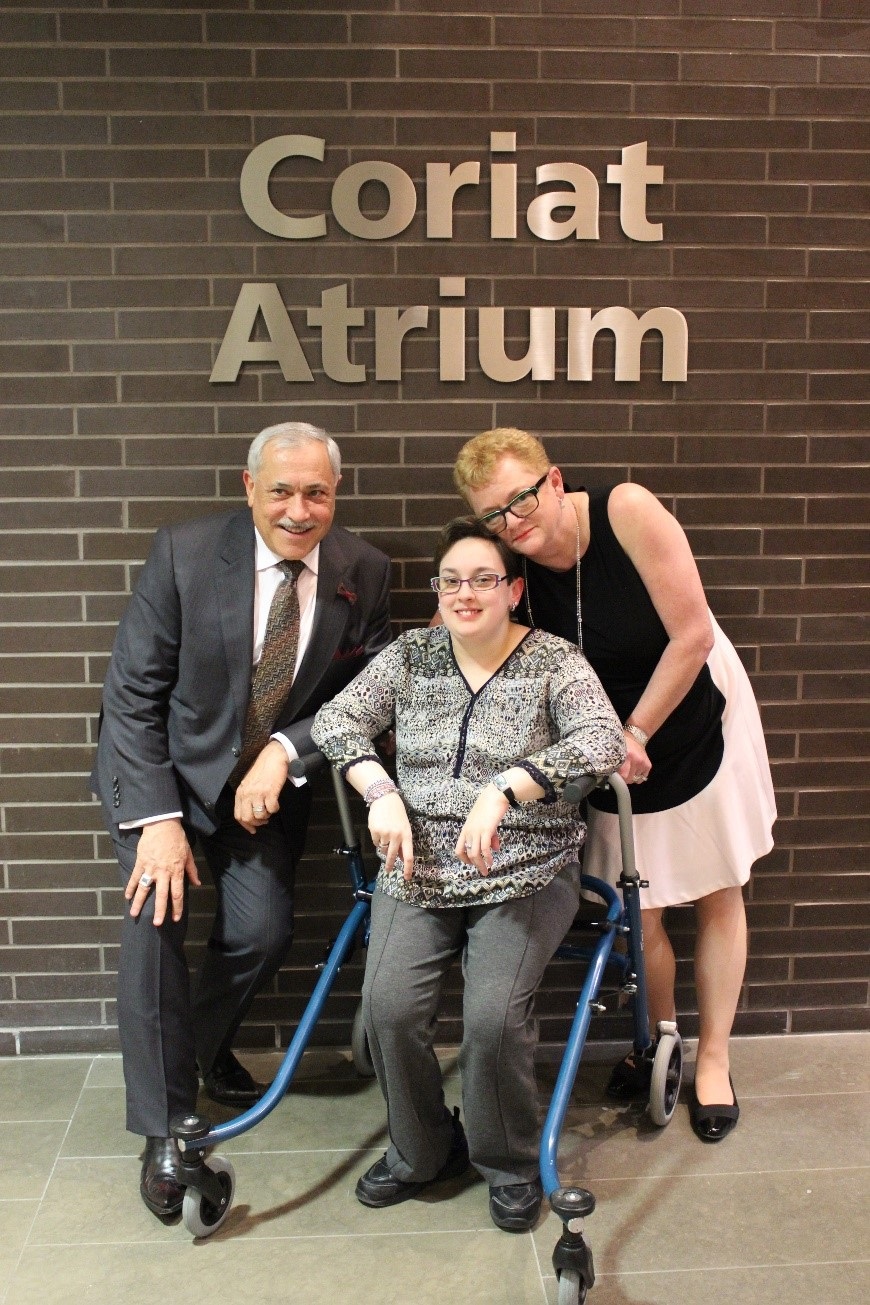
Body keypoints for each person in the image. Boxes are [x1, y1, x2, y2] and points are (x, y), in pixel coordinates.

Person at [91, 421, 392, 1220]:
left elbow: (353, 703)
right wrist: (157, 819)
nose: (300, 509)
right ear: (248, 485)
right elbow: (131, 696)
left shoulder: (365, 570)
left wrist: (287, 751)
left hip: (264, 791)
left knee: (261, 933)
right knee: (156, 923)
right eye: (283, 489)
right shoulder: (185, 554)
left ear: (336, 494)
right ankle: (165, 1130)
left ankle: (189, 1052)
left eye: (317, 492)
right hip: (167, 778)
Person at [452, 428, 776, 1143]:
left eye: (523, 498)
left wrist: (637, 732)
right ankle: (660, 1042)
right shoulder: (511, 565)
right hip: (605, 743)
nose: (514, 521)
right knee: (644, 901)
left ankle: (714, 1058)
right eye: (494, 515)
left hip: (688, 707)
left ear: (556, 480)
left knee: (720, 888)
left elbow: (691, 634)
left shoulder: (627, 509)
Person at [311, 517, 626, 1232]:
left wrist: (509, 786)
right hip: (417, 867)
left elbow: (602, 739)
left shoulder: (555, 660)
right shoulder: (412, 655)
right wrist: (380, 789)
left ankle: (508, 1160)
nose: (464, 592)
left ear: (513, 589)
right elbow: (337, 721)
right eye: (451, 579)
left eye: (483, 578)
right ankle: (423, 1150)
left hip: (527, 866)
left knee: (491, 1017)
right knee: (389, 1008)